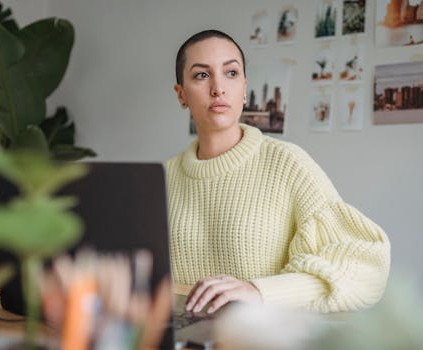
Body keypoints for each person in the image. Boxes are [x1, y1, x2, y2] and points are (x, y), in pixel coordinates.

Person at [166, 29, 390, 315]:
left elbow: (367, 267)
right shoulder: (162, 177)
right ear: (181, 94)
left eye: (231, 73)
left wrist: (260, 292)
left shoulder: (288, 164)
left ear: (245, 88)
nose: (218, 88)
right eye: (201, 75)